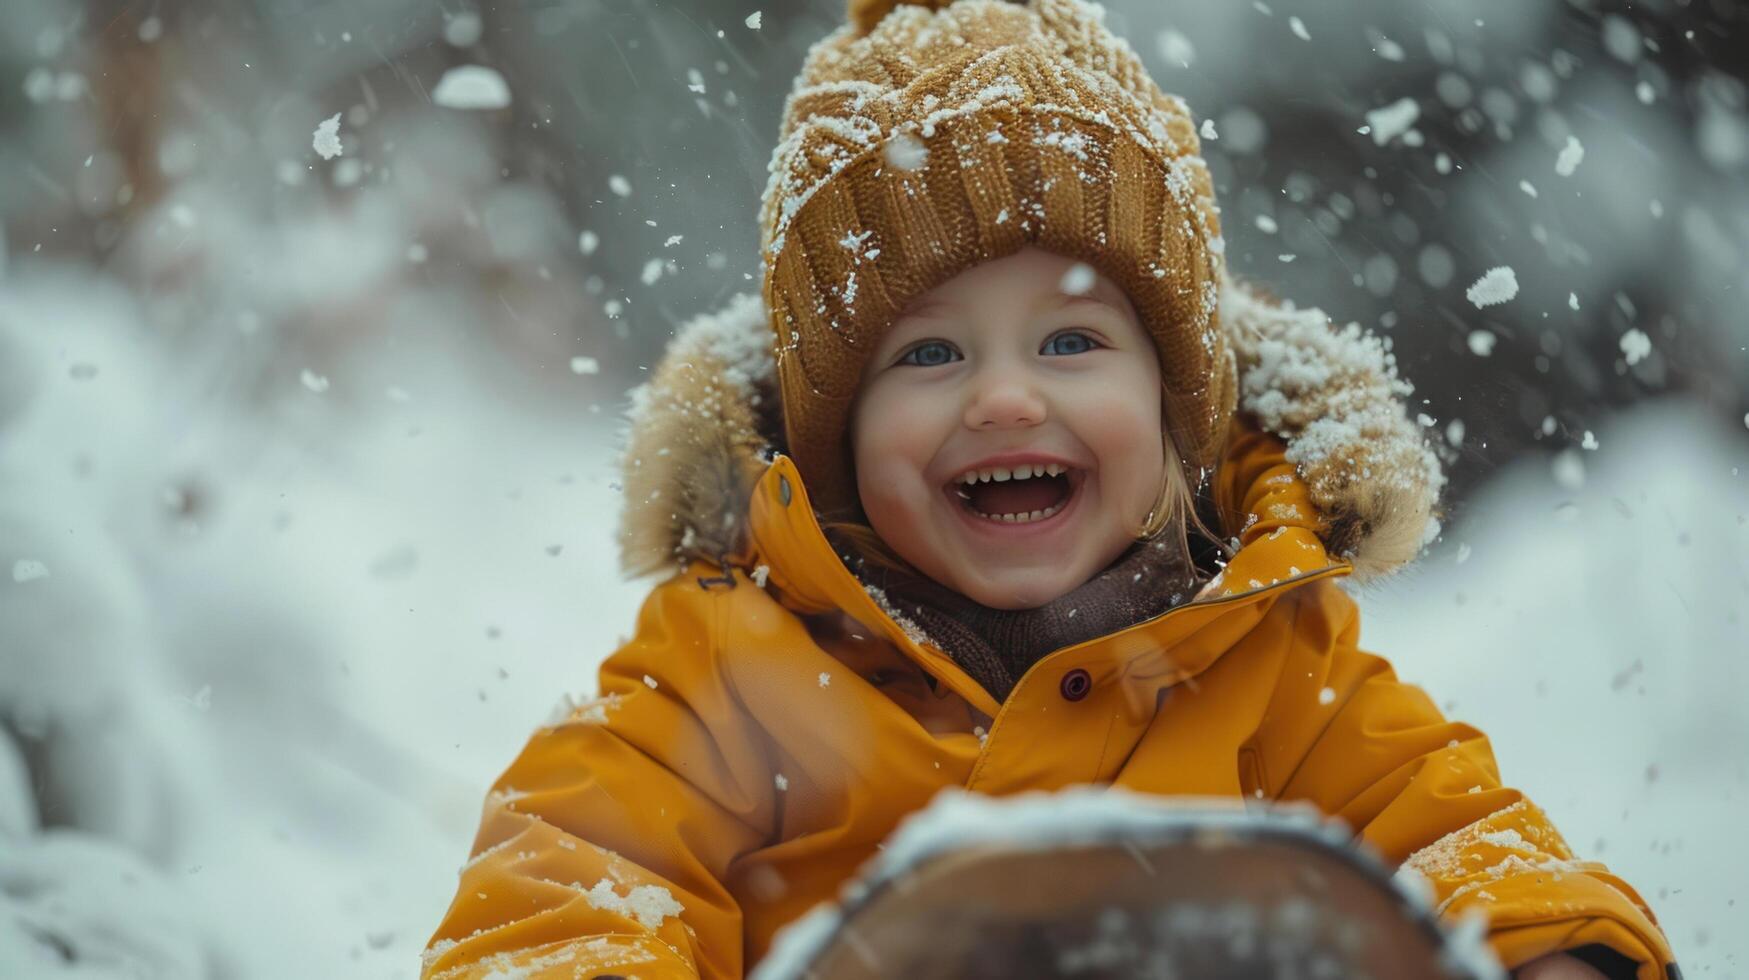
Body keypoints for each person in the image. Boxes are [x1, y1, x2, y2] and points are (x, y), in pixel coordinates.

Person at [420, 2, 1680, 977]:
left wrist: (1547, 945)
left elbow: (1456, 831)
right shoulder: (735, 664)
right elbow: (576, 876)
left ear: (1183, 411)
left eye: (1072, 342)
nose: (1006, 399)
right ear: (835, 435)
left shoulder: (1271, 657)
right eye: (928, 354)